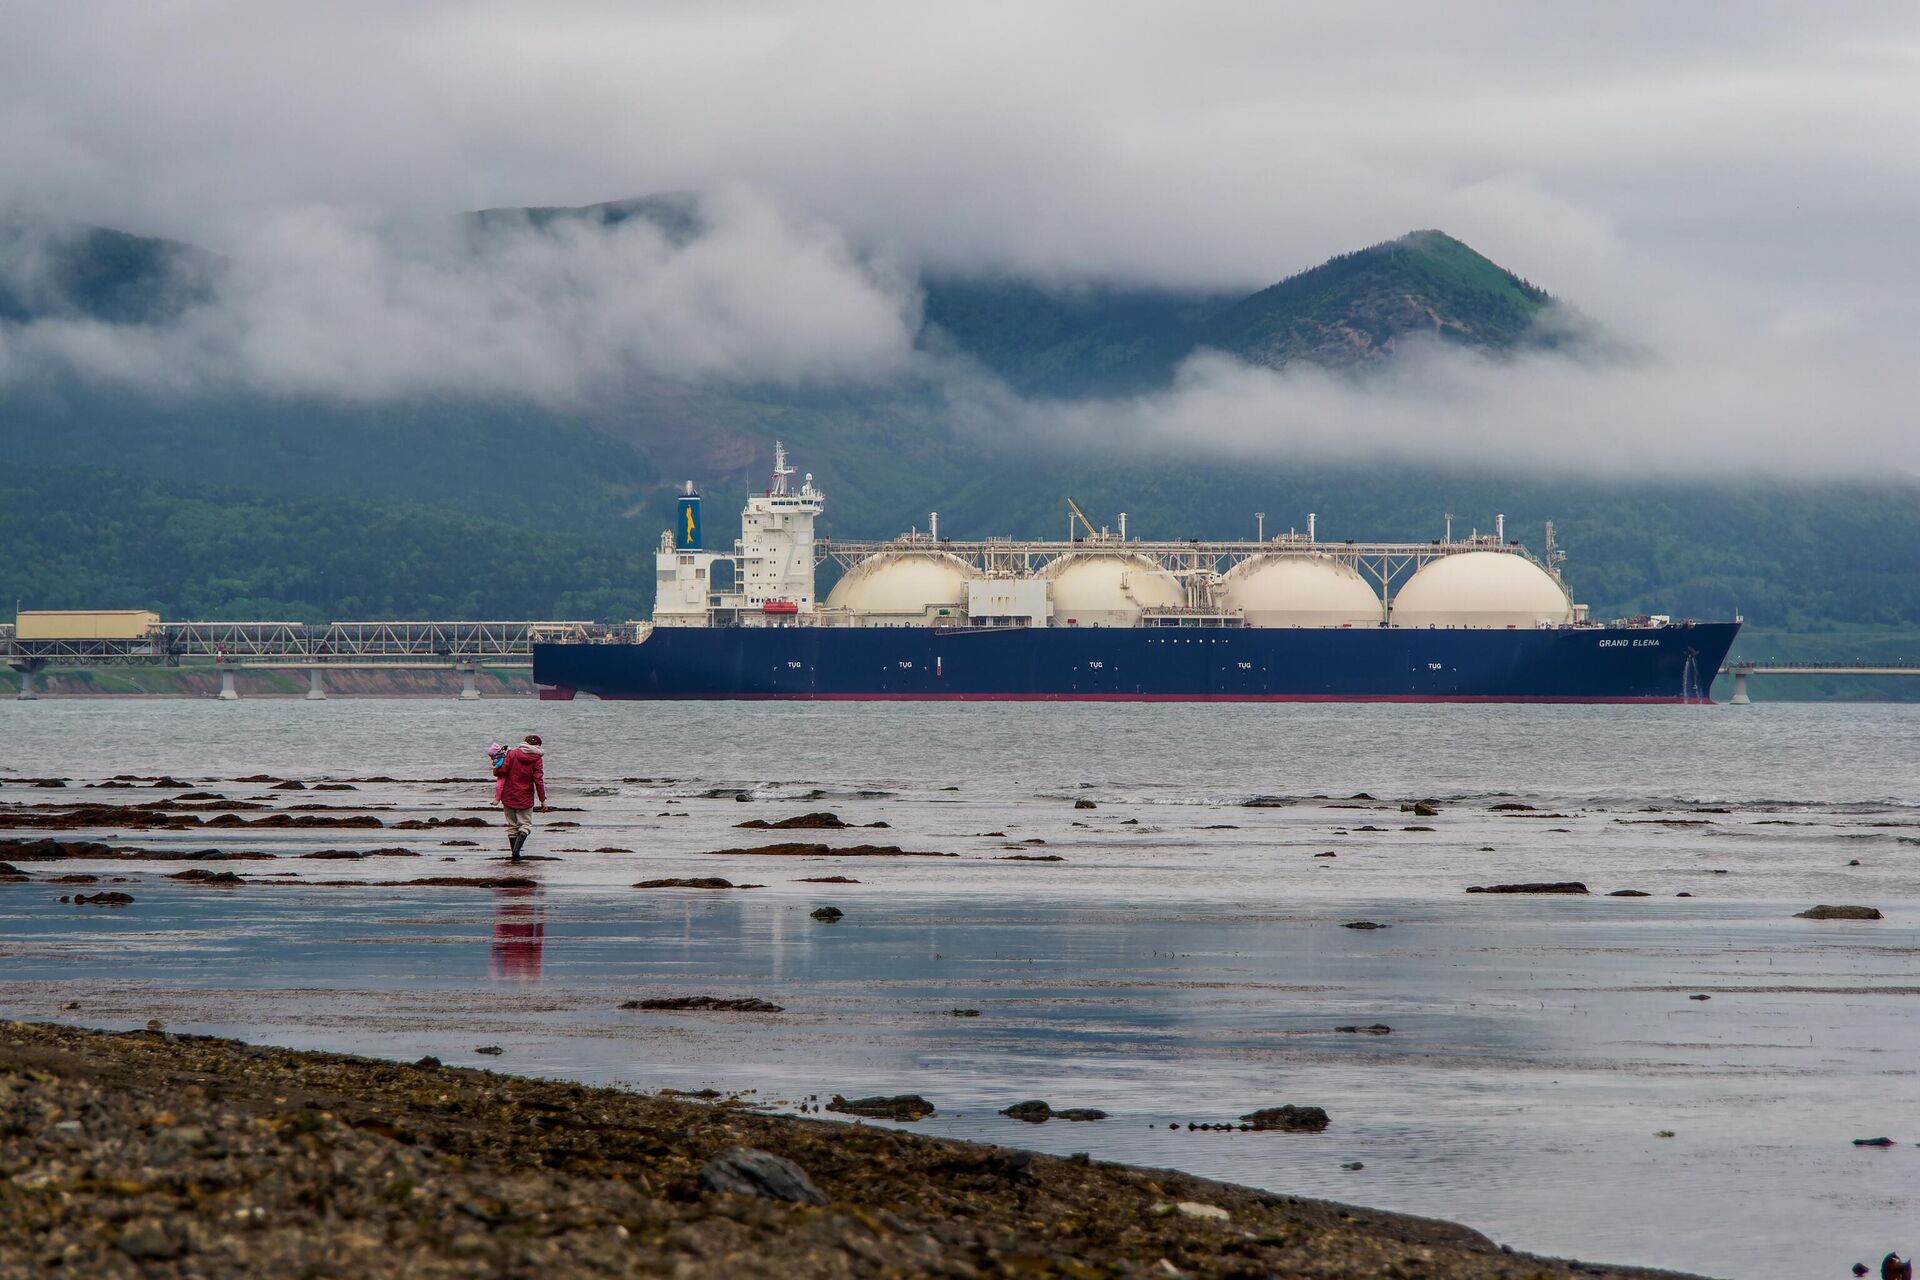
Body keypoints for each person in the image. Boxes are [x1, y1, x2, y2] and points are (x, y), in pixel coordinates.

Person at [493, 734, 547, 861]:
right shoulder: (537, 759)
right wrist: (543, 799)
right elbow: (538, 780)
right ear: (538, 746)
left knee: (512, 826)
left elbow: (502, 771)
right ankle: (516, 853)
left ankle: (515, 854)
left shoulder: (512, 754)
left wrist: (495, 767)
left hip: (508, 794)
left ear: (524, 742)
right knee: (525, 825)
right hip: (525, 796)